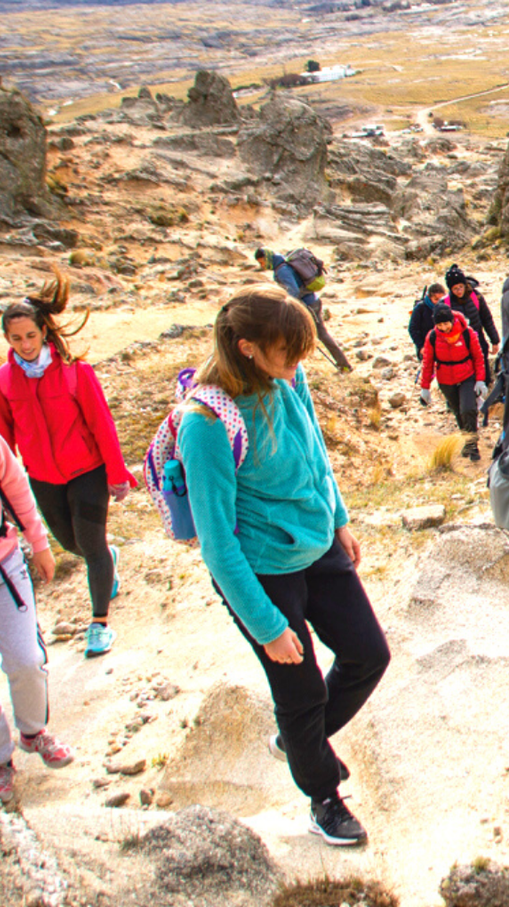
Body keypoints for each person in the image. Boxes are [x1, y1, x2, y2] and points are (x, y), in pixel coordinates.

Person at [180, 285, 389, 847]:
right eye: (286, 352)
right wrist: (268, 626)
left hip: (318, 545)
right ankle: (323, 796)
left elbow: (316, 451)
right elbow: (217, 543)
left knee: (370, 654)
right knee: (300, 694)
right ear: (246, 347)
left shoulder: (289, 377)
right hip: (263, 572)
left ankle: (299, 741)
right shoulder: (204, 423)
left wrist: (340, 518)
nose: (298, 364)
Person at [0, 268, 135, 658]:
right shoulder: (3, 380)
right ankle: (108, 561)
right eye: (16, 338)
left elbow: (102, 425)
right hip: (41, 477)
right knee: (71, 543)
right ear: (7, 339)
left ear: (45, 334)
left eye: (31, 336)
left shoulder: (76, 371)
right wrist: (1, 489)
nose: (24, 344)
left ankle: (99, 623)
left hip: (87, 471)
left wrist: (116, 473)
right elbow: (2, 440)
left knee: (90, 545)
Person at [0, 417, 73, 804]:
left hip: (1, 563)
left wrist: (39, 542)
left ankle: (34, 733)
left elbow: (15, 485)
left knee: (27, 659)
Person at [255, 248, 353, 373]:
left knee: (320, 334)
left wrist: (288, 307)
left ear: (268, 258)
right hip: (311, 302)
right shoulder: (283, 266)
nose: (262, 266)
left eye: (262, 262)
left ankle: (344, 365)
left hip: (308, 305)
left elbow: (293, 291)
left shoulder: (282, 271)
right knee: (311, 334)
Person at [418, 303, 488, 461]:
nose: (444, 328)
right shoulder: (433, 336)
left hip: (466, 376)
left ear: (452, 320)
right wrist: (425, 388)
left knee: (468, 409)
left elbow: (478, 357)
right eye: (440, 325)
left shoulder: (467, 333)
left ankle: (473, 446)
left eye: (446, 323)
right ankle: (467, 440)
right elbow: (428, 362)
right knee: (458, 412)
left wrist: (480, 380)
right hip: (445, 379)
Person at [444, 264, 500, 364]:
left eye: (461, 287)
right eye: (455, 288)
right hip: (459, 347)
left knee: (484, 374)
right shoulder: (445, 303)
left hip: (479, 343)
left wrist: (494, 340)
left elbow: (486, 319)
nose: (459, 291)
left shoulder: (476, 297)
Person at [408, 283, 447, 360]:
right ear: (429, 297)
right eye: (436, 299)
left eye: (441, 299)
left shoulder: (446, 307)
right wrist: (421, 346)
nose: (439, 302)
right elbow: (413, 329)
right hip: (426, 347)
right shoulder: (420, 309)